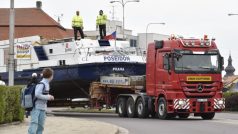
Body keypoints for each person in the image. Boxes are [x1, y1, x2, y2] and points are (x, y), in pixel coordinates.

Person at [28, 68, 54, 134]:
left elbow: (43, 94)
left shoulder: (46, 84)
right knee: (34, 124)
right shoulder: (42, 83)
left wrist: (49, 96)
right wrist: (48, 97)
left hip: (42, 107)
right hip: (36, 107)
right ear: (50, 76)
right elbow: (37, 94)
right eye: (52, 75)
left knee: (40, 126)